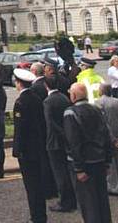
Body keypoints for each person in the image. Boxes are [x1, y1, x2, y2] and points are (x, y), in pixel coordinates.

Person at [64, 82, 112, 223]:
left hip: (84, 164)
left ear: (73, 96)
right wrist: (108, 161)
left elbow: (74, 142)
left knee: (88, 204)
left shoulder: (70, 113)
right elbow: (106, 135)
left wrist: (78, 168)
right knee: (102, 201)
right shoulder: (96, 109)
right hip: (100, 160)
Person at [12, 68, 54, 223]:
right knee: (38, 182)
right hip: (38, 146)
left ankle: (36, 216)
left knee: (31, 185)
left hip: (26, 150)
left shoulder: (20, 102)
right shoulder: (36, 98)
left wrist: (17, 150)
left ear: (19, 83)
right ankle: (40, 214)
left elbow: (20, 129)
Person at [43, 74, 77, 213]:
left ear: (46, 86)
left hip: (54, 142)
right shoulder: (64, 97)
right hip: (66, 139)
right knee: (67, 171)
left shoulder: (47, 101)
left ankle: (64, 202)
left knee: (59, 173)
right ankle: (72, 199)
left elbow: (49, 122)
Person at [96, 83, 118, 196]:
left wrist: (113, 139)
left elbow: (103, 124)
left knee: (111, 164)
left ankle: (114, 186)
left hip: (108, 137)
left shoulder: (98, 104)